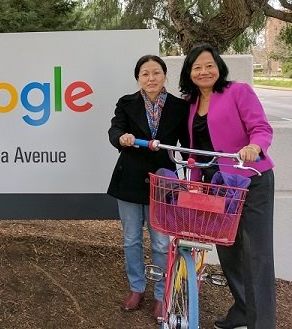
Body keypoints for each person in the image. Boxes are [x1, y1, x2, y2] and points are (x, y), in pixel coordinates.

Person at [179, 43, 276, 329]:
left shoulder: (237, 91)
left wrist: (253, 146)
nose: (204, 71)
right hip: (218, 185)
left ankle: (263, 323)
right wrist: (194, 185)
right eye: (197, 67)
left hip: (249, 180)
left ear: (219, 67)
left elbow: (261, 128)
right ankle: (243, 310)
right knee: (228, 250)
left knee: (255, 254)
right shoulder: (192, 103)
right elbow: (197, 152)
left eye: (209, 65)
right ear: (190, 73)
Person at [108, 55, 189, 321]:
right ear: (138, 79)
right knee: (131, 239)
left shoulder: (179, 106)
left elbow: (186, 144)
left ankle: (160, 293)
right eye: (145, 74)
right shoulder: (126, 102)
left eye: (156, 73)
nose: (151, 78)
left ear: (165, 75)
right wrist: (122, 137)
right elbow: (115, 129)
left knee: (161, 243)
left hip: (163, 182)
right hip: (129, 180)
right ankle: (136, 288)